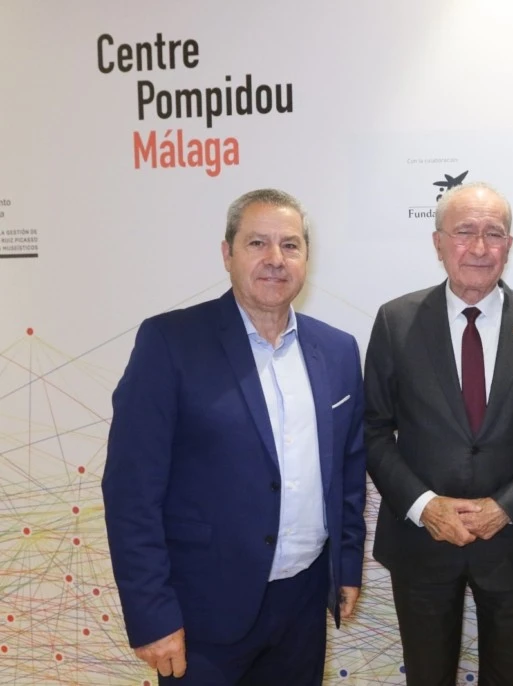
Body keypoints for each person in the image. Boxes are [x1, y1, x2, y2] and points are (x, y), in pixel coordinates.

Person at [102, 189, 367, 684]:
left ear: (306, 257)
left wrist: (346, 564)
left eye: (290, 245)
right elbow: (130, 492)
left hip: (304, 606)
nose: (275, 259)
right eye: (257, 244)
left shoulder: (338, 350)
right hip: (202, 615)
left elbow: (347, 471)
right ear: (227, 254)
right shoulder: (169, 343)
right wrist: (153, 615)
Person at [364, 182, 513, 686]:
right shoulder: (396, 321)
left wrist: (504, 508)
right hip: (421, 543)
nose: (479, 248)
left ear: (509, 245)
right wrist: (424, 506)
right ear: (438, 243)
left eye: (493, 233)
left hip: (510, 543)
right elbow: (373, 430)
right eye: (464, 233)